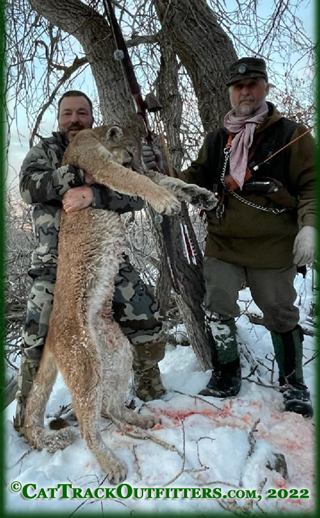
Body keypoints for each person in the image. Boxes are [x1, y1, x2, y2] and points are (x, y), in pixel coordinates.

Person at [143, 57, 316, 418]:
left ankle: (293, 382)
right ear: (230, 94)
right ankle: (226, 373)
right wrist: (160, 167)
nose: (246, 91)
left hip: (273, 246)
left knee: (281, 314)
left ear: (266, 88)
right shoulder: (219, 138)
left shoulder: (293, 135)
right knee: (218, 307)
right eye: (238, 87)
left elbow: (313, 185)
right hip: (224, 243)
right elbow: (194, 179)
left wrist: (309, 226)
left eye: (253, 84)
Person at [14, 90, 167, 434]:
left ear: (91, 117)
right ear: (59, 118)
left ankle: (148, 387)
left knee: (145, 316)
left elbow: (134, 197)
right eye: (67, 113)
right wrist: (78, 175)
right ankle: (27, 417)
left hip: (102, 258)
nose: (74, 119)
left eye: (81, 113)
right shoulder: (45, 152)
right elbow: (29, 188)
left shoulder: (109, 148)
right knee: (39, 337)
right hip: (54, 264)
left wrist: (93, 194)